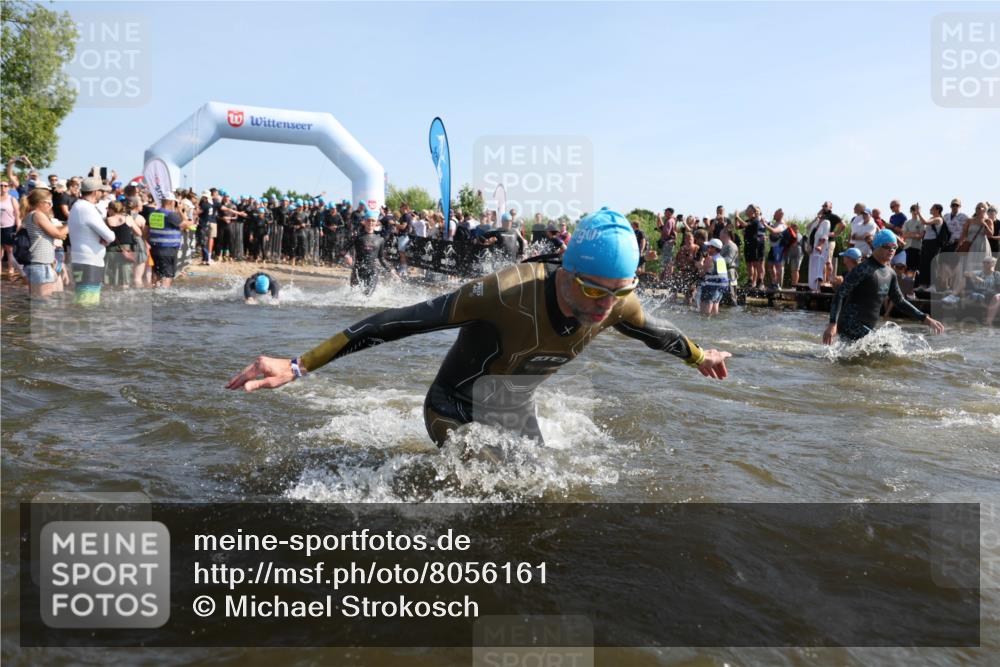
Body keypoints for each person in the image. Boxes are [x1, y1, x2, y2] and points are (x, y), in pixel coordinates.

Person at [227, 207, 731, 448]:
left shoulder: (617, 304)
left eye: (619, 292)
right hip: (453, 406)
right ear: (567, 272)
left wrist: (700, 356)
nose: (606, 307)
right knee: (484, 485)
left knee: (539, 494)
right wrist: (298, 365)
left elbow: (658, 333)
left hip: (513, 411)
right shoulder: (505, 293)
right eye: (594, 290)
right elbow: (397, 321)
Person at [823, 229, 945, 344]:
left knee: (886, 348)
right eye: (887, 246)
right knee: (885, 348)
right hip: (849, 324)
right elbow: (840, 294)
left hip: (866, 327)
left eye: (894, 247)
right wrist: (832, 324)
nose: (891, 250)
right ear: (876, 246)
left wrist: (925, 319)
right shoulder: (863, 269)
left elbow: (900, 301)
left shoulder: (890, 273)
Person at [67, 177, 115, 305]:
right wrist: (106, 237)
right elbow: (110, 236)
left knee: (81, 298)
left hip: (80, 259)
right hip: (90, 260)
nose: (103, 194)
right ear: (95, 192)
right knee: (88, 302)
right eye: (101, 191)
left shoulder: (77, 206)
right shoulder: (87, 209)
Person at [22, 188, 68, 299]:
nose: (50, 205)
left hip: (35, 262)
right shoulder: (38, 215)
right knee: (44, 301)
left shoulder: (30, 215)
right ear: (40, 203)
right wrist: (72, 222)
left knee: (36, 299)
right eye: (48, 202)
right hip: (41, 264)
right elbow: (58, 234)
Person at [146, 194, 196, 288]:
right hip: (167, 249)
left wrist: (148, 242)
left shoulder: (153, 213)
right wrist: (181, 211)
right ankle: (165, 294)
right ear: (171, 202)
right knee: (167, 275)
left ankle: (154, 291)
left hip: (155, 247)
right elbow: (187, 224)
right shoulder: (170, 215)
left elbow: (146, 230)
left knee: (156, 273)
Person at [350, 209, 391, 295]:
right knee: (354, 296)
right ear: (364, 222)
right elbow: (343, 250)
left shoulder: (380, 239)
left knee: (368, 295)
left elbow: (381, 258)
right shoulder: (357, 237)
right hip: (358, 270)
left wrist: (391, 270)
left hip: (373, 271)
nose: (371, 223)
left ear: (376, 223)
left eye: (373, 221)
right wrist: (347, 257)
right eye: (368, 220)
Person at [965, 256, 1000, 327]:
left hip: (992, 293)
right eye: (984, 262)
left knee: (996, 298)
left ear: (993, 264)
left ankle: (988, 322)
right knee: (964, 280)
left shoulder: (996, 274)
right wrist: (975, 277)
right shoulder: (979, 273)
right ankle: (953, 295)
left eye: (987, 263)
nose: (985, 264)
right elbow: (965, 273)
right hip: (980, 292)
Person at [698, 239, 729, 316]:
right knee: (714, 314)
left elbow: (701, 273)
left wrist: (701, 262)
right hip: (720, 289)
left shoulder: (710, 259)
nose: (707, 248)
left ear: (714, 248)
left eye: (708, 247)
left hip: (710, 288)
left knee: (704, 315)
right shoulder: (721, 259)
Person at [1, 178, 20, 276]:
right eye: (1, 185)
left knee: (9, 250)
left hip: (9, 226)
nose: (3, 187)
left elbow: (17, 213)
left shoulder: (12, 199)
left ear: (8, 188)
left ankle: (11, 268)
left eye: (5, 186)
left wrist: (18, 225)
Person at [764, 209, 787, 288]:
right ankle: (774, 282)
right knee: (770, 265)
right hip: (773, 247)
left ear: (779, 215)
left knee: (778, 266)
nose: (773, 215)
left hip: (779, 248)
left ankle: (778, 284)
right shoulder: (775, 223)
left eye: (775, 214)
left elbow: (774, 231)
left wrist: (765, 225)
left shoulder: (782, 225)